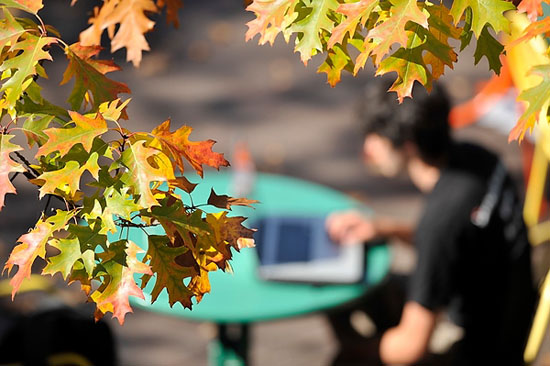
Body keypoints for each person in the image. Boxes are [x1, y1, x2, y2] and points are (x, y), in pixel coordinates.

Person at [325, 79, 536, 366]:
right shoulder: (479, 159)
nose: (367, 148)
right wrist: (386, 229)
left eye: (375, 137)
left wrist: (354, 352)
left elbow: (411, 348)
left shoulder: (441, 220)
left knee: (348, 345)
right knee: (373, 293)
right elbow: (459, 240)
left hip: (478, 349)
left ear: (408, 145)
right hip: (513, 313)